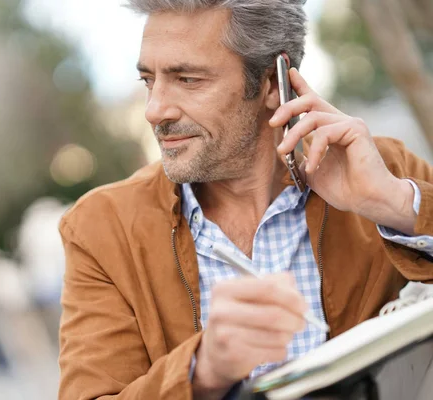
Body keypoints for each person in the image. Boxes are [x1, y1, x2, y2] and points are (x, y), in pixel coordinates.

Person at [58, 1, 433, 399]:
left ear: (273, 85)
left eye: (187, 79)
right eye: (149, 80)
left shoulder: (384, 169)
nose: (155, 110)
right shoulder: (101, 229)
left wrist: (397, 206)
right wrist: (203, 370)